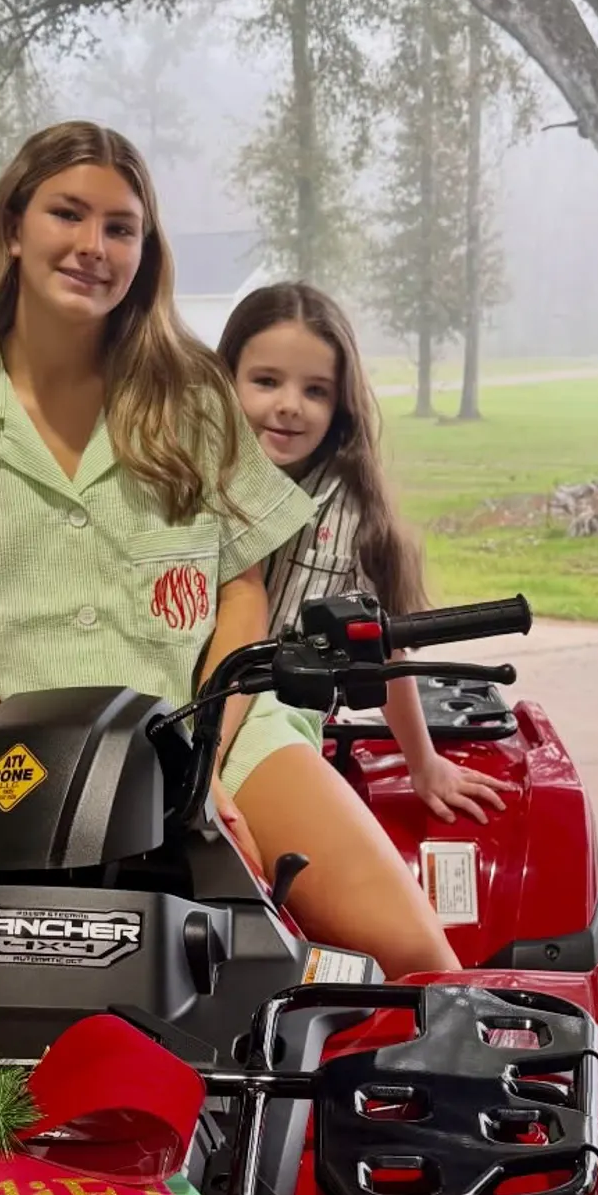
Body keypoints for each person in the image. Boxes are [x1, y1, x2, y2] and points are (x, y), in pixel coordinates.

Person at [0, 121, 462, 975]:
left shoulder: (194, 395)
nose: (94, 246)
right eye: (68, 214)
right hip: (17, 751)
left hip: (218, 731)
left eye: (121, 227)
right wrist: (19, 781)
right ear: (13, 228)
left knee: (423, 960)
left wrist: (205, 764)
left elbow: (241, 596)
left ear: (143, 250)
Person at [218, 281, 506, 827]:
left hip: (281, 726)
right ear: (224, 380)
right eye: (266, 381)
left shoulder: (352, 513)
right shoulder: (188, 484)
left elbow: (382, 654)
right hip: (190, 712)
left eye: (316, 391)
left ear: (340, 404)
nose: (289, 406)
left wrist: (423, 765)